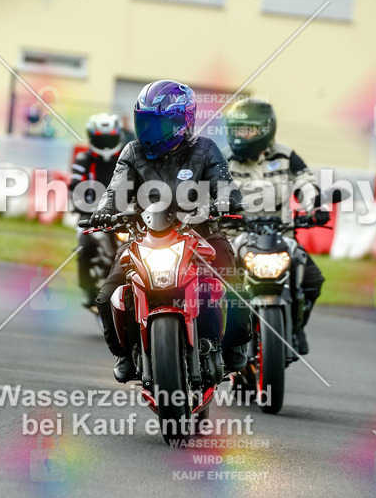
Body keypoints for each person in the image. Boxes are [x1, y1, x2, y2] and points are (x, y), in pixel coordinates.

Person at [90, 80, 248, 383]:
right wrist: (105, 210)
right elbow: (116, 189)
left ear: (184, 122)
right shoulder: (133, 151)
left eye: (161, 125)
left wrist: (225, 202)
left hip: (201, 232)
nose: (152, 131)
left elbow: (225, 184)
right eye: (147, 123)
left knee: (234, 286)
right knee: (106, 295)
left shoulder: (205, 149)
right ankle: (125, 355)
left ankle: (232, 347)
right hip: (146, 237)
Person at [223, 97, 325, 354]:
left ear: (266, 129)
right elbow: (207, 190)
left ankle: (296, 327)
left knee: (313, 279)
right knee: (217, 287)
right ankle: (227, 341)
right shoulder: (223, 159)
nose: (241, 136)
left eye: (248, 130)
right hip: (236, 238)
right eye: (237, 130)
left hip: (282, 237)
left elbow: (304, 183)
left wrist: (315, 207)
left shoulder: (286, 155)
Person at [70, 113, 126, 306]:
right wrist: (80, 203)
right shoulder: (84, 158)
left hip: (122, 211)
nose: (105, 144)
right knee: (85, 245)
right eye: (101, 139)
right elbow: (75, 184)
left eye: (109, 138)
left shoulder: (126, 157)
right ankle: (87, 289)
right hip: (91, 212)